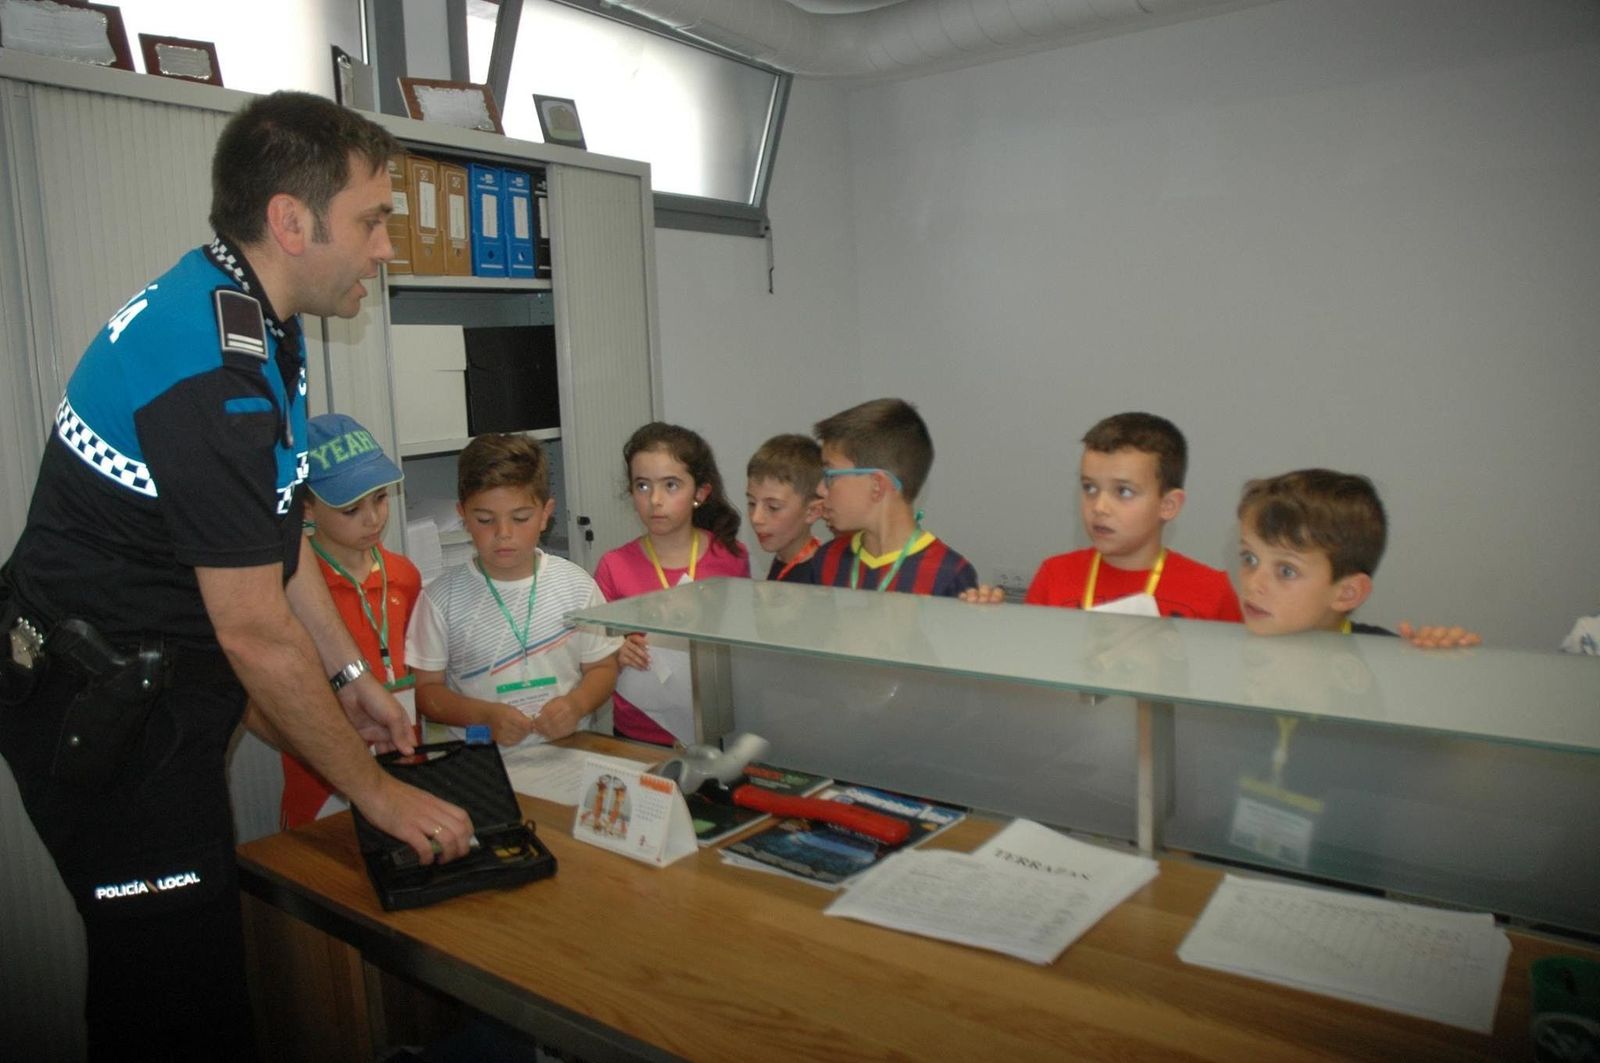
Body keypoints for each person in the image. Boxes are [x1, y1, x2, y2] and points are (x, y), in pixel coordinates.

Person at [0, 91, 470, 1059]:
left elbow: (278, 527)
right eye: (374, 220)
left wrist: (351, 679)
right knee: (173, 996)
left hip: (151, 683)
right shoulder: (210, 366)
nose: (387, 249)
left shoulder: (254, 311)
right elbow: (254, 628)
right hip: (100, 711)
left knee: (196, 969)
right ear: (291, 221)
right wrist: (379, 798)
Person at [408, 434, 621, 768]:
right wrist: (484, 716)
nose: (503, 533)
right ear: (462, 514)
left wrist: (577, 705)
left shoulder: (576, 585)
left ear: (545, 513)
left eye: (520, 518)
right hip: (480, 766)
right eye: (485, 519)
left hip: (569, 755)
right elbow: (426, 692)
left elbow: (603, 667)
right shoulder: (441, 598)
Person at [282, 412, 422, 828]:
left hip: (402, 765)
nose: (373, 518)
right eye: (350, 509)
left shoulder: (404, 576)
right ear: (307, 508)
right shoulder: (290, 590)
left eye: (380, 498)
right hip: (320, 787)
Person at [971, 411, 1237, 617]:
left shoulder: (1213, 591)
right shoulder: (1055, 575)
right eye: (1089, 488)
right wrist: (995, 623)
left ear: (1168, 505)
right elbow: (1029, 667)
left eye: (1123, 491)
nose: (1099, 507)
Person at [595, 422, 750, 745]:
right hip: (638, 733)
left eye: (671, 485)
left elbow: (746, 646)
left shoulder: (731, 559)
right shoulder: (614, 565)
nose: (655, 500)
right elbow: (592, 654)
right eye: (643, 486)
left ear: (700, 493)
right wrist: (615, 651)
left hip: (714, 729)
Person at [1235, 468, 1480, 644]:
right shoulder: (1227, 645)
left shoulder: (1382, 659)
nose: (1253, 583)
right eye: (1250, 559)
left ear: (1347, 593)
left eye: (1286, 571)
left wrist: (1444, 665)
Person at [804, 398, 977, 596]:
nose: (820, 489)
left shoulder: (949, 574)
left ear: (877, 486)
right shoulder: (826, 559)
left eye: (830, 476)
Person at [746, 433, 825, 582]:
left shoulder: (821, 576)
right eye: (751, 503)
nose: (756, 518)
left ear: (813, 511)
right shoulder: (781, 560)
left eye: (773, 507)